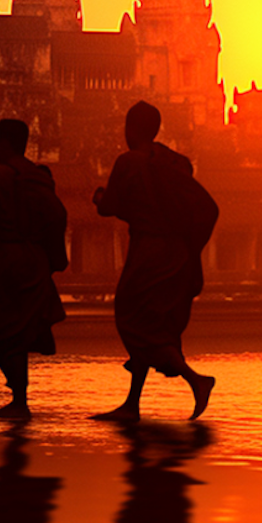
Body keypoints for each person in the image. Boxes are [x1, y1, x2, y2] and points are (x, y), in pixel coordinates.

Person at [91, 100, 217, 421]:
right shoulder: (172, 162)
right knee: (152, 320)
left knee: (133, 319)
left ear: (130, 129)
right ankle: (132, 403)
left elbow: (113, 207)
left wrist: (100, 198)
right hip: (175, 253)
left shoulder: (128, 162)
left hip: (148, 252)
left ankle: (195, 380)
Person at [0, 119, 67, 419]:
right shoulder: (40, 179)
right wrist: (53, 256)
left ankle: (19, 397)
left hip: (5, 259)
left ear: (3, 143)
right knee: (22, 327)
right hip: (34, 259)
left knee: (0, 328)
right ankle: (19, 397)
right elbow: (58, 216)